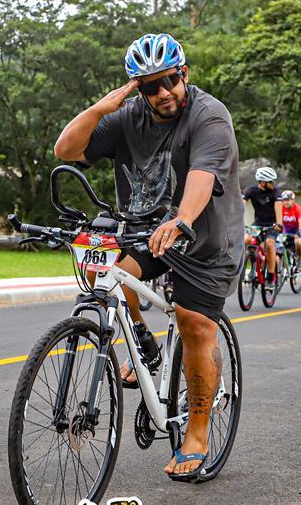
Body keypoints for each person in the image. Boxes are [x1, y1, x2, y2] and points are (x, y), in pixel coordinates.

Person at [53, 32, 243, 481]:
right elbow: (65, 150)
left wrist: (182, 220)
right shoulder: (127, 117)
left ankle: (197, 434)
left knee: (194, 323)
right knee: (106, 271)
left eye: (170, 80)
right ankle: (143, 340)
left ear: (184, 74)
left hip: (205, 239)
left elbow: (201, 177)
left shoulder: (209, 116)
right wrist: (102, 108)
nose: (163, 93)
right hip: (144, 231)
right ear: (137, 89)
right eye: (150, 86)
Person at [242, 168, 284, 283]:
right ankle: (250, 261)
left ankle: (270, 277)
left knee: (270, 243)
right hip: (258, 223)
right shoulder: (251, 190)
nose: (273, 184)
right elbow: (241, 204)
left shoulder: (276, 191)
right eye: (270, 182)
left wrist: (279, 224)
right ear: (262, 182)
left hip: (273, 224)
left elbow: (278, 207)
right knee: (246, 239)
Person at [279, 189, 301, 263]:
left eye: (288, 200)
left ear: (293, 200)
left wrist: (300, 232)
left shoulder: (299, 209)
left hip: (296, 229)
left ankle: (300, 260)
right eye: (284, 200)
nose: (285, 202)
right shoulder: (280, 208)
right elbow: (278, 221)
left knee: (298, 242)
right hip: (286, 229)